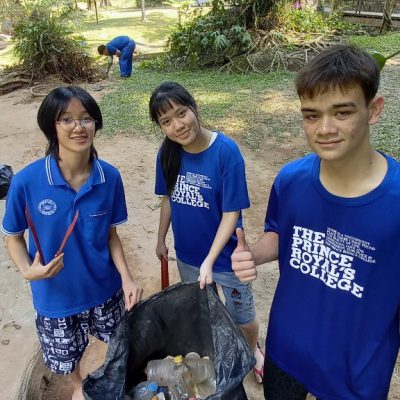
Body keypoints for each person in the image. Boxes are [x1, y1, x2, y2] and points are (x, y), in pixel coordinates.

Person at [232, 44, 400, 399]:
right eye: (311, 115)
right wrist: (254, 255)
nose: (324, 128)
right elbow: (282, 233)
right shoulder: (291, 180)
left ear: (374, 109)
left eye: (342, 112)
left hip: (356, 373)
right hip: (286, 350)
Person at [1, 86, 143, 400]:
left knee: (121, 344)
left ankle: (116, 379)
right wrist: (27, 270)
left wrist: (127, 278)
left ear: (96, 124)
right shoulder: (26, 182)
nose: (78, 127)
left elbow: (111, 235)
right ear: (51, 127)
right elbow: (13, 236)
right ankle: (79, 386)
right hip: (55, 298)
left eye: (86, 118)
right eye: (66, 119)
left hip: (105, 290)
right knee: (66, 360)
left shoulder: (109, 178)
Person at [150, 81, 265, 383]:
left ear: (194, 107)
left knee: (243, 317)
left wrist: (210, 261)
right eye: (166, 121)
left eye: (181, 113)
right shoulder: (168, 154)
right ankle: (218, 352)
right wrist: (161, 239)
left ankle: (251, 351)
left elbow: (231, 214)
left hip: (227, 260)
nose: (178, 125)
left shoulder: (226, 152)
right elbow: (168, 199)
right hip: (188, 257)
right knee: (205, 313)